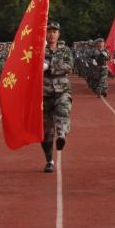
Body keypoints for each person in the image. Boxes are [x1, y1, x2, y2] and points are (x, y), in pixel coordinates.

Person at [41, 21, 73, 173]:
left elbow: (68, 67)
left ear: (59, 34)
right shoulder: (39, 50)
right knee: (46, 133)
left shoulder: (65, 50)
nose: (51, 34)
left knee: (63, 110)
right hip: (44, 93)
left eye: (54, 31)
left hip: (62, 90)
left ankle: (61, 135)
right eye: (49, 31)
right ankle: (49, 160)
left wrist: (49, 67)